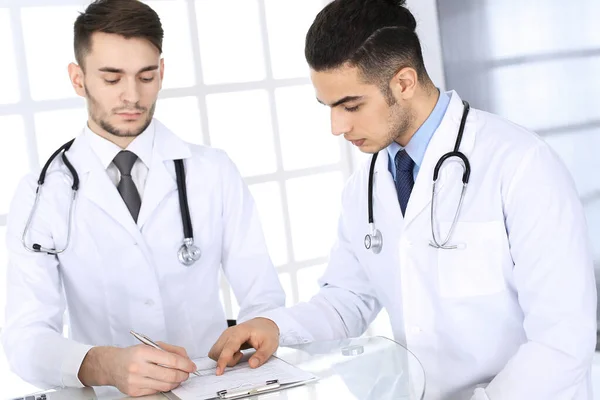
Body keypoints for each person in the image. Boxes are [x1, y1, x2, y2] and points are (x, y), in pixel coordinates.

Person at [207, 0, 598, 399]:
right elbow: (348, 301)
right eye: (328, 107)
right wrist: (275, 327)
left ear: (404, 82)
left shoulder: (520, 165)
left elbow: (564, 337)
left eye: (351, 105)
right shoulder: (366, 187)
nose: (337, 127)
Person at [1, 0, 285, 397]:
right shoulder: (41, 193)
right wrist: (102, 364)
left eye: (146, 76)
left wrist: (260, 329)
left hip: (210, 386)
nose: (132, 96)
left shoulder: (213, 171)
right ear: (78, 79)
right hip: (109, 394)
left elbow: (264, 297)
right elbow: (24, 338)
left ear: (162, 73)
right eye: (112, 78)